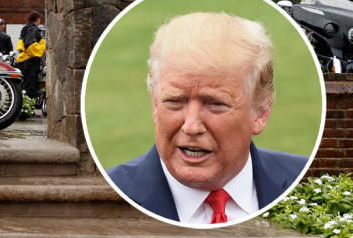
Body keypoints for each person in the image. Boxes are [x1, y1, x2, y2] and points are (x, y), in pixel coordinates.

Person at [105, 12, 307, 225]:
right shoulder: (108, 199)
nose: (191, 127)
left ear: (261, 113)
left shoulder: (307, 181)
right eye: (174, 101)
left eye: (216, 104)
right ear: (155, 103)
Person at [16, 11, 45, 98]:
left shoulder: (25, 28)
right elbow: (30, 45)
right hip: (30, 61)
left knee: (23, 85)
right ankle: (29, 107)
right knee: (30, 86)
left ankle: (24, 105)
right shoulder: (33, 29)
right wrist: (41, 50)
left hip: (23, 60)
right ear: (38, 19)